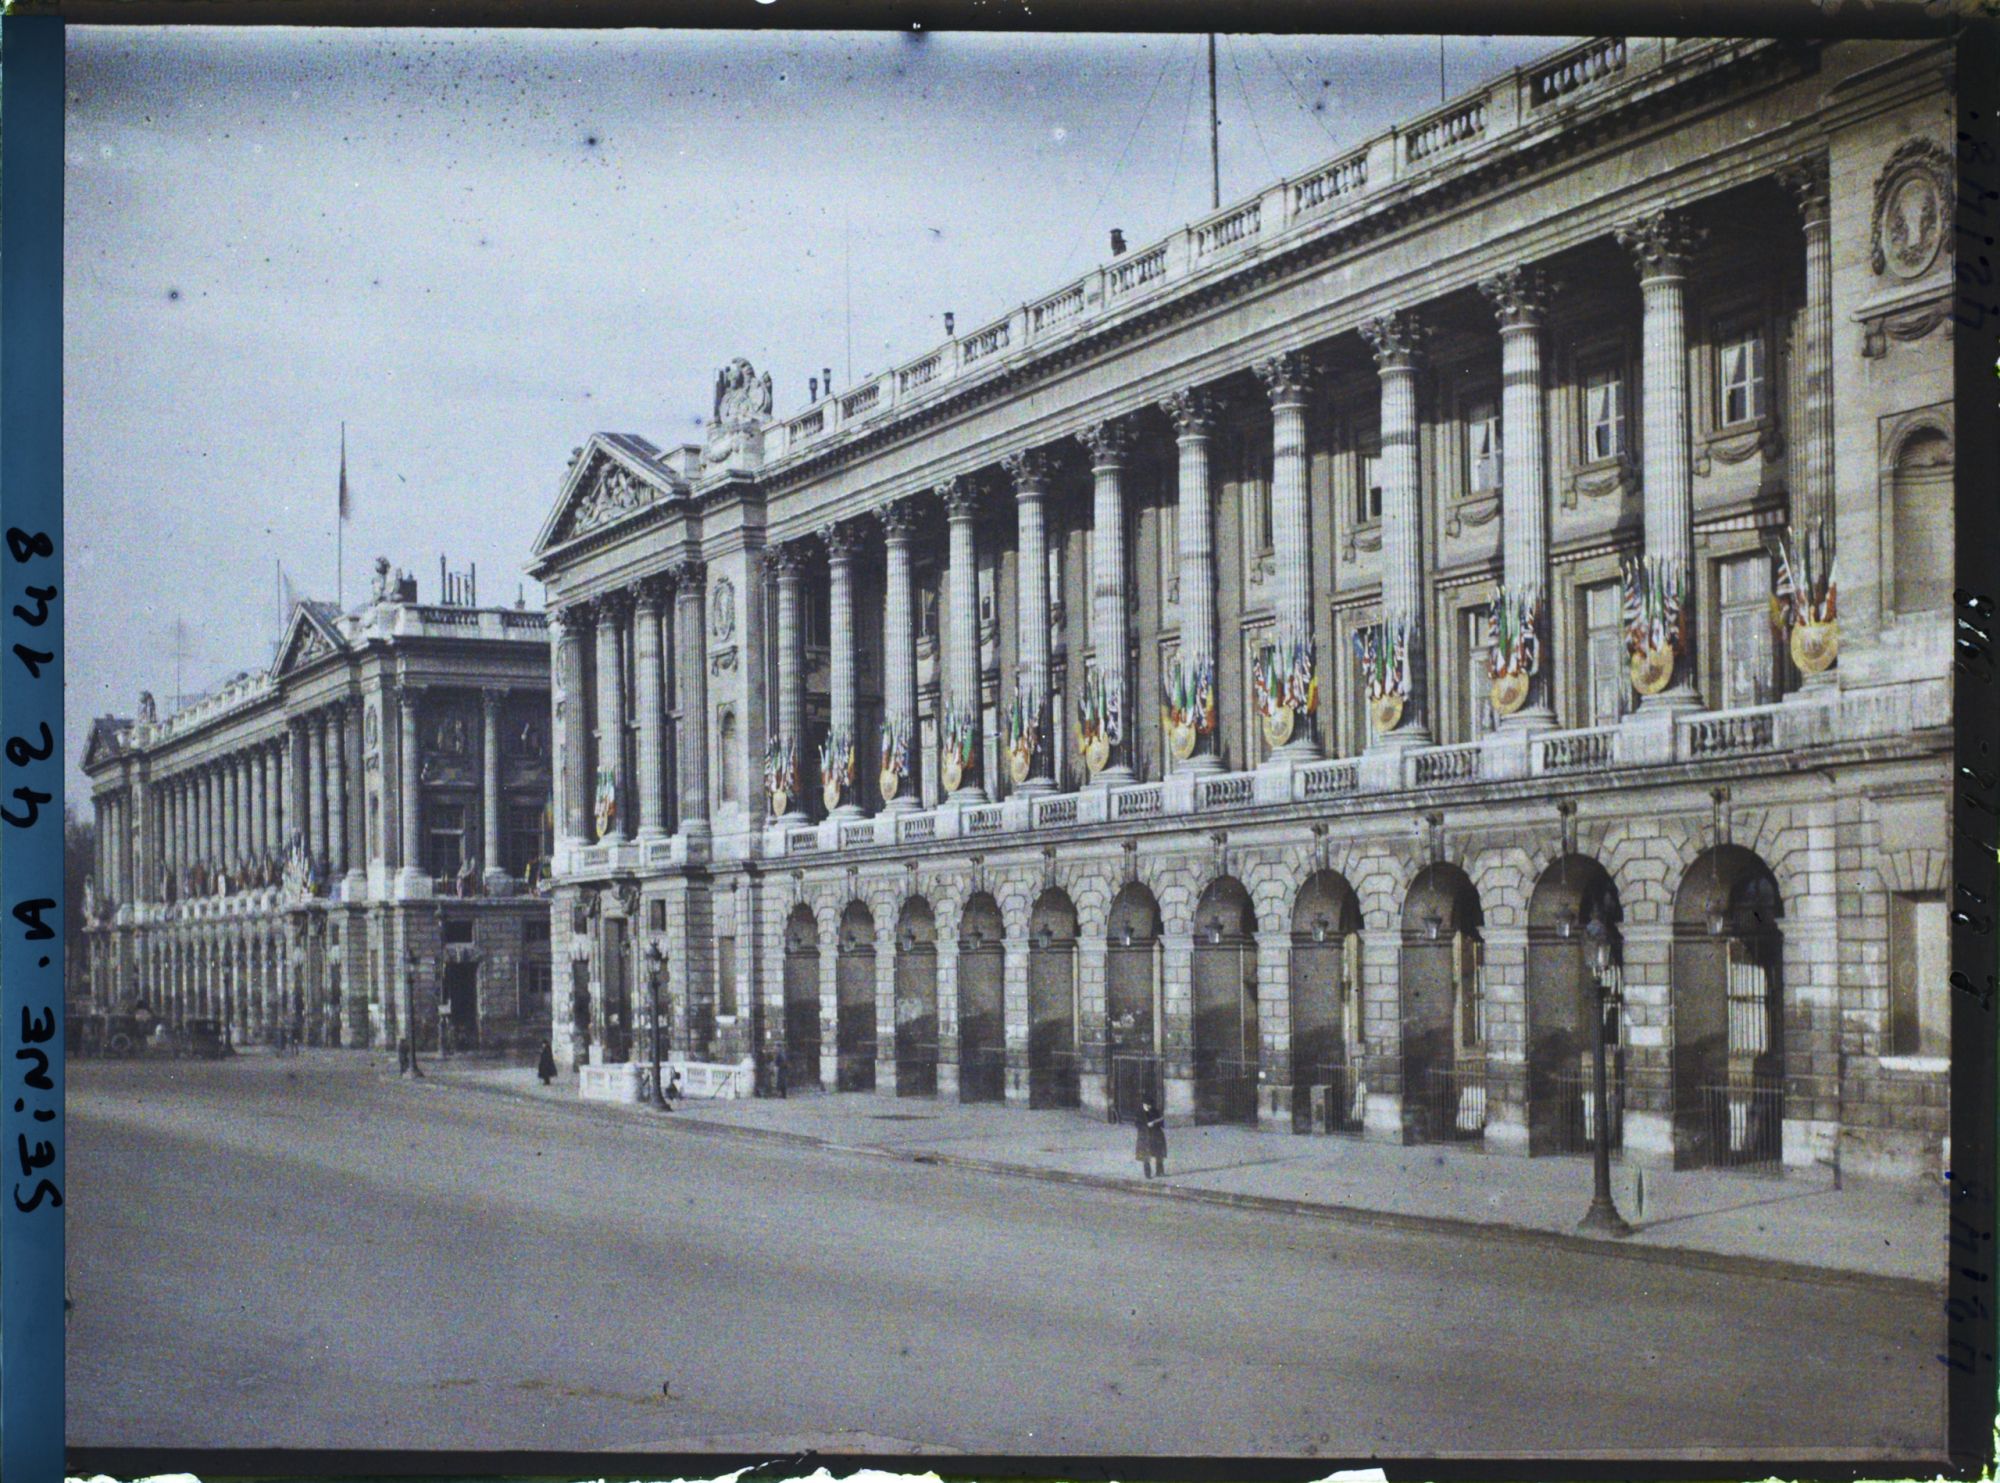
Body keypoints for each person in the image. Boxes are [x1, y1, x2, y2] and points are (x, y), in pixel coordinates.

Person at [1136, 1091, 1167, 1179]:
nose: (1149, 1107)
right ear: (1143, 1104)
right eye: (1147, 1105)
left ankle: (1159, 1171)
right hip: (1144, 1136)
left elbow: (1161, 1123)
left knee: (1159, 1153)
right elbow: (1137, 1124)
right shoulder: (1139, 1113)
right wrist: (1146, 1125)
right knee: (1146, 1155)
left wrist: (1156, 1123)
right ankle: (1148, 1174)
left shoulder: (1155, 1111)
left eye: (1150, 1105)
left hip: (1156, 1135)